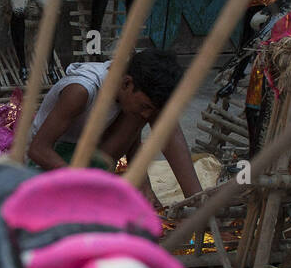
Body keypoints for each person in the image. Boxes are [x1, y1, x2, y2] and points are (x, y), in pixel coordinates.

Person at [27, 47, 202, 204]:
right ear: (126, 83)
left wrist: (142, 182)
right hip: (51, 165)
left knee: (157, 113)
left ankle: (197, 198)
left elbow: (134, 133)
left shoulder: (129, 87)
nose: (146, 114)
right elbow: (38, 150)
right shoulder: (81, 91)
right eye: (144, 106)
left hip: (90, 159)